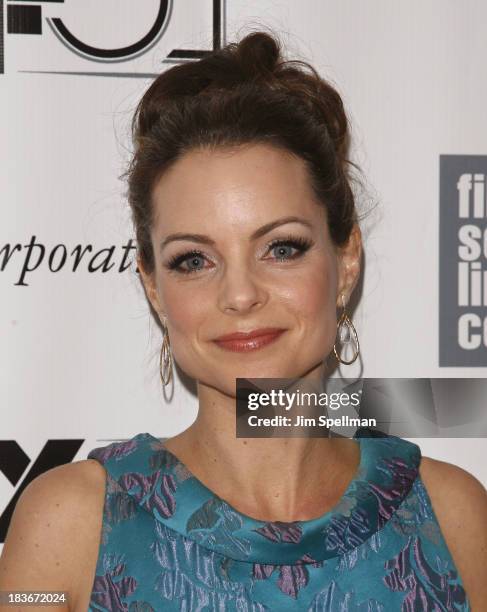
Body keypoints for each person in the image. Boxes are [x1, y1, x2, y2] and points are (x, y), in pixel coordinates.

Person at [1, 30, 486, 612]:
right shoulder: (68, 525)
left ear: (347, 260)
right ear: (154, 287)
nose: (239, 294)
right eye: (194, 260)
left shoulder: (452, 516)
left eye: (281, 248)